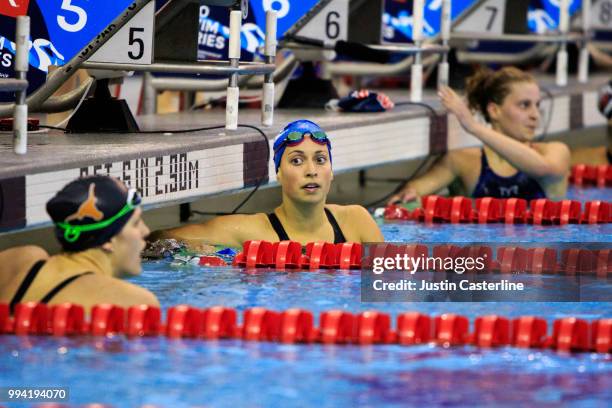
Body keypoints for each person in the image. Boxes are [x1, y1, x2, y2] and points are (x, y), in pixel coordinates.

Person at [154, 119, 384, 248]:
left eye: (320, 160)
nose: (311, 171)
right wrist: (192, 247)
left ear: (331, 171)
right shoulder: (251, 231)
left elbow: (396, 289)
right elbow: (158, 236)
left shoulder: (356, 221)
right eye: (297, 161)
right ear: (279, 174)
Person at [389, 67, 570, 204]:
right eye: (524, 105)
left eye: (537, 105)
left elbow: (544, 169)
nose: (535, 115)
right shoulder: (464, 161)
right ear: (494, 110)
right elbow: (407, 197)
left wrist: (474, 127)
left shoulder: (556, 152)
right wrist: (409, 200)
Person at [0, 176, 159, 313]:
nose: (145, 231)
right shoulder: (133, 301)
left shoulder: (16, 262)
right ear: (108, 239)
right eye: (136, 223)